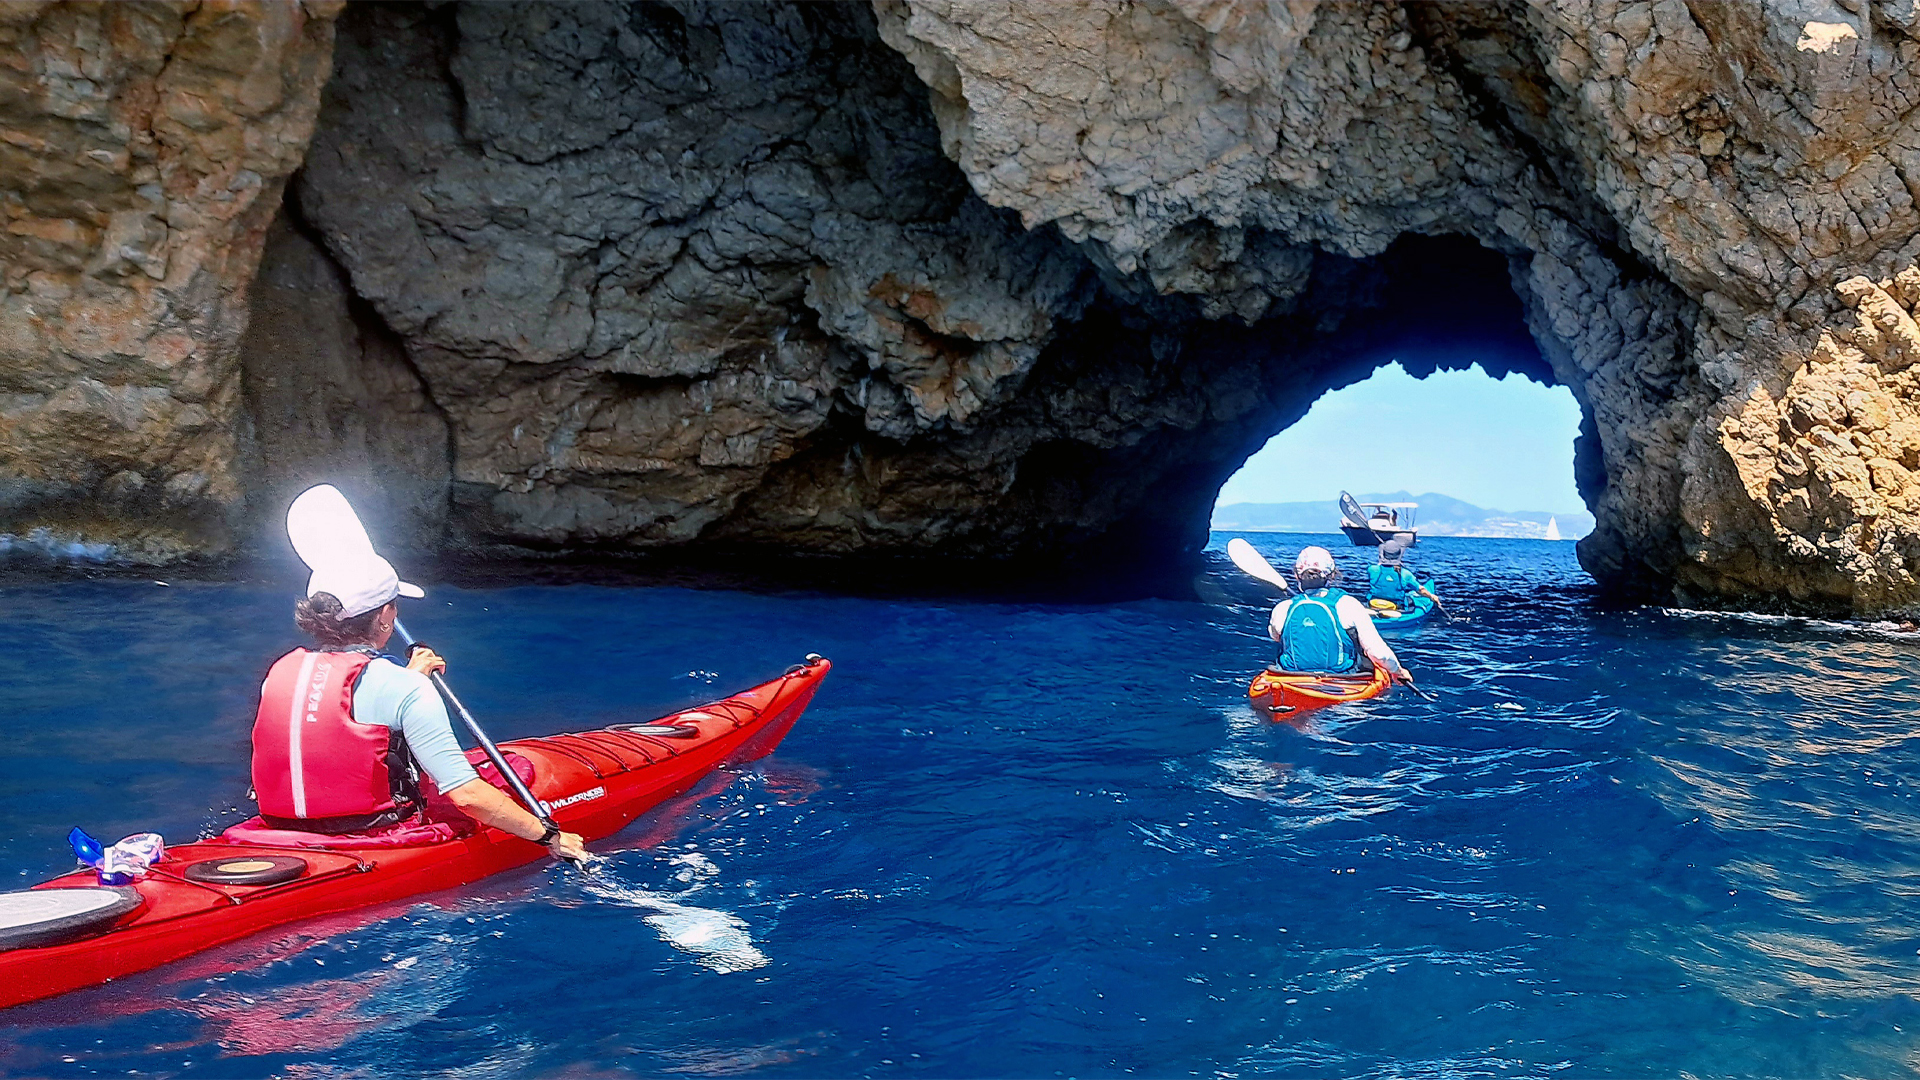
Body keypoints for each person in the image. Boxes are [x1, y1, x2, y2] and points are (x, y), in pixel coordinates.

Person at [250, 543, 588, 862]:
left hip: (278, 830)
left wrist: (410, 679)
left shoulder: (279, 672)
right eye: (394, 605)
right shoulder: (405, 687)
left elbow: (339, 708)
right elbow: (467, 796)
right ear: (385, 615)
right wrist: (548, 836)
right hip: (372, 836)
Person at [1268, 546, 1415, 684]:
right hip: (1341, 678)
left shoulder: (1282, 608)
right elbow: (1380, 655)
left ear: (1297, 575)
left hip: (1290, 677)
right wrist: (1398, 671)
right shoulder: (1348, 604)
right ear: (1331, 575)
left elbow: (1277, 637)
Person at [1365, 539, 1439, 611]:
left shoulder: (1371, 569)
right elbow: (1420, 590)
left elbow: (1381, 568)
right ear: (1399, 555)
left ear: (1383, 554)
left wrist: (1383, 560)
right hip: (1397, 608)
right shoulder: (1405, 574)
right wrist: (1431, 596)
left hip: (1373, 605)